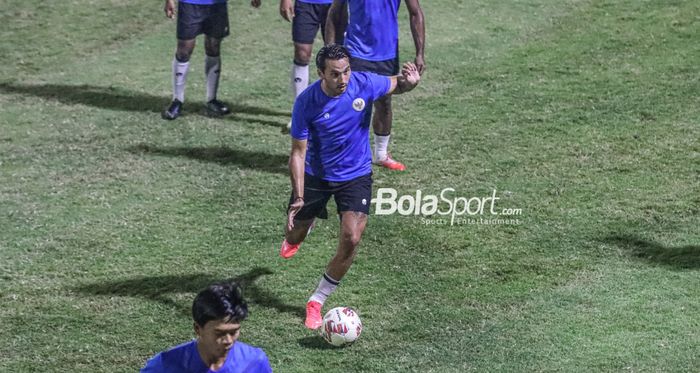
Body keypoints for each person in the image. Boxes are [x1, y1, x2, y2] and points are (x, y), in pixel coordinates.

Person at [279, 44, 420, 329]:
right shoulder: (307, 102)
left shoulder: (363, 84)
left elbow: (396, 84)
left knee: (352, 238)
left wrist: (410, 83)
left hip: (355, 175)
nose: (342, 79)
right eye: (334, 74)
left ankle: (317, 300)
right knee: (293, 234)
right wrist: (299, 195)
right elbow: (297, 152)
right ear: (320, 74)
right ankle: (302, 230)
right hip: (317, 175)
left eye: (346, 72)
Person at [326, 0, 425, 171]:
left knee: (384, 103)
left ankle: (380, 154)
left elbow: (416, 13)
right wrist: (330, 52)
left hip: (386, 55)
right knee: (350, 106)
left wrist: (420, 54)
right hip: (355, 52)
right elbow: (335, 13)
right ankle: (342, 155)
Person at [162, 0, 262, 120]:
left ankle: (212, 100)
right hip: (189, 3)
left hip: (217, 5)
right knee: (184, 49)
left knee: (213, 47)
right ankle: (177, 100)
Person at [141, 282, 272, 373]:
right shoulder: (164, 366)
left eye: (233, 332)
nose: (228, 341)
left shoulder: (254, 361)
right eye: (219, 333)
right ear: (198, 329)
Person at [278, 0, 345, 131]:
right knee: (302, 53)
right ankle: (300, 113)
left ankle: (334, 111)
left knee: (336, 55)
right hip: (306, 3)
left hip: (336, 3)